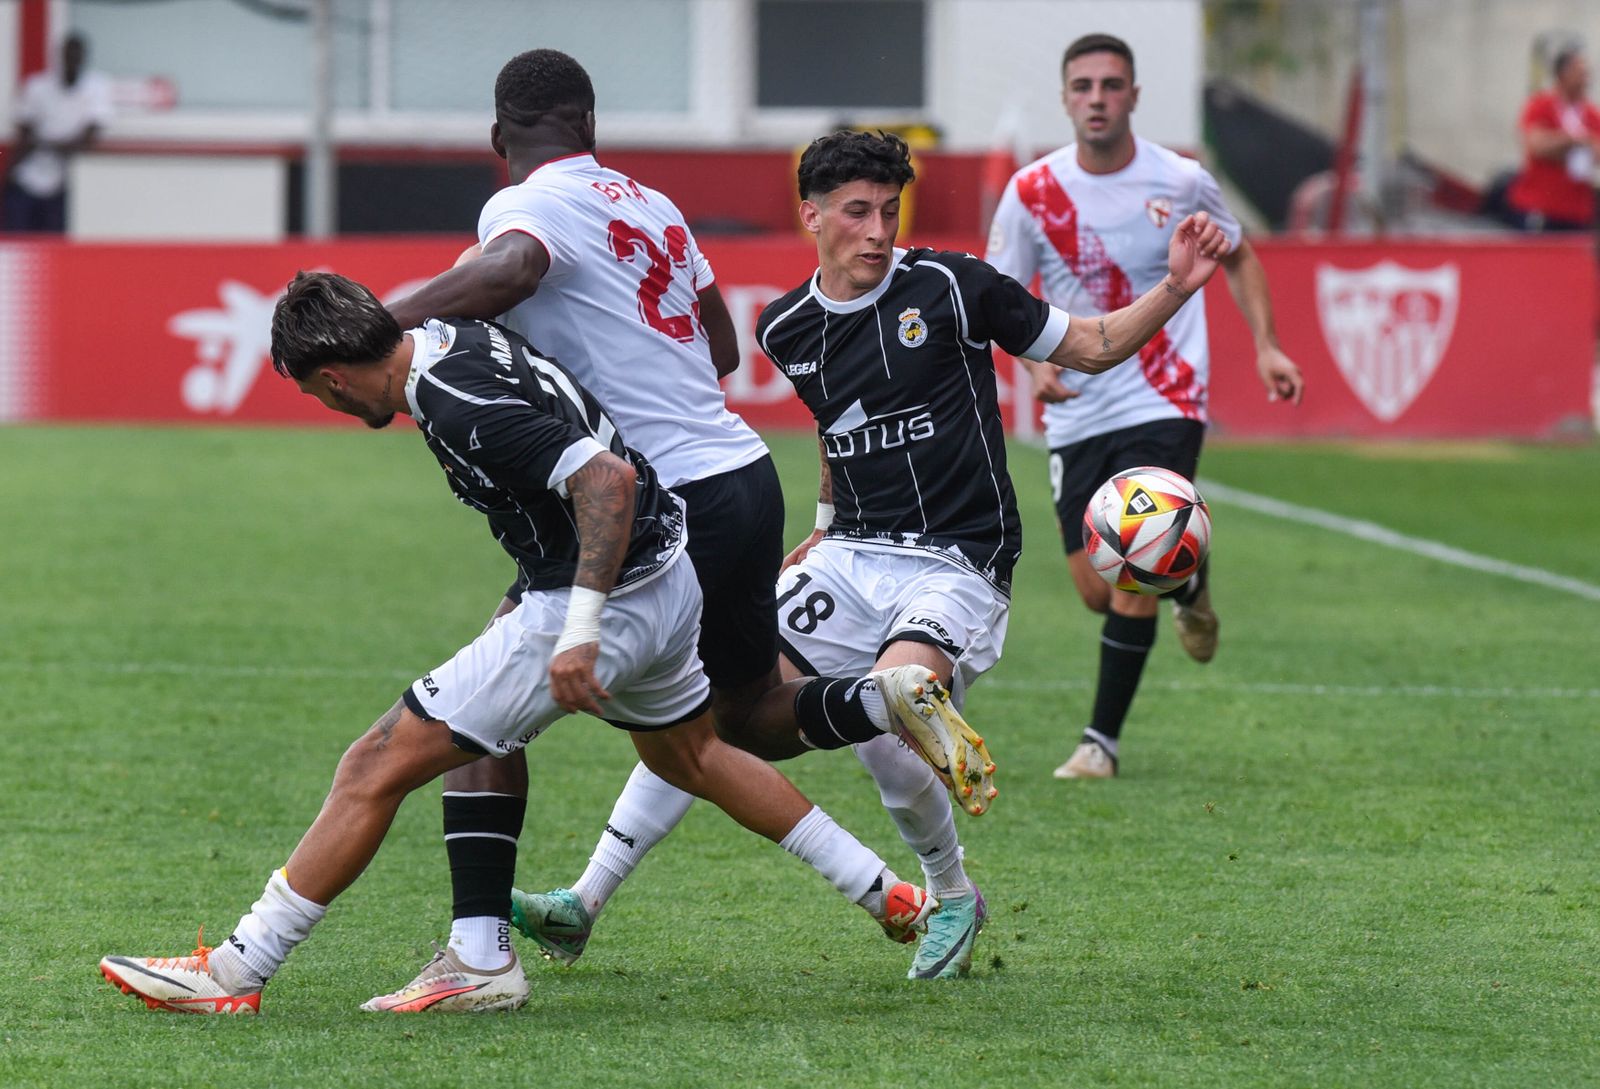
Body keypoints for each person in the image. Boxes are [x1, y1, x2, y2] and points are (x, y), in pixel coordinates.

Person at [97, 272, 947, 1015]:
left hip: (605, 605)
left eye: (321, 396)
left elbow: (602, 479)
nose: (334, 408)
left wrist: (577, 630)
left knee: (371, 765)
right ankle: (891, 893)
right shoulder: (453, 337)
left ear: (331, 375)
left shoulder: (454, 401)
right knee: (694, 757)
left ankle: (242, 968)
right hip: (666, 575)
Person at [515, 129, 1232, 978]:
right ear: (811, 215)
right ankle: (585, 900)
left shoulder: (955, 287)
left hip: (959, 557)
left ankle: (951, 893)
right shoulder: (787, 326)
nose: (877, 230)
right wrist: (821, 517)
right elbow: (834, 423)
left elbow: (1093, 343)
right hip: (848, 553)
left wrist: (1177, 288)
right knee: (704, 706)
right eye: (857, 212)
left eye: (888, 211)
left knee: (894, 710)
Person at [378, 48, 995, 992]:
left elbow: (509, 270)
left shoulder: (524, 205)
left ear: (500, 140)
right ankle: (877, 703)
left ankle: (478, 951)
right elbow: (716, 341)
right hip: (743, 473)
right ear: (592, 127)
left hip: (658, 504)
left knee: (481, 709)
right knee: (738, 720)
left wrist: (387, 329)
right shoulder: (651, 204)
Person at [985, 33, 1305, 781]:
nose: (1097, 98)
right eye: (1084, 85)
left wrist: (1267, 346)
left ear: (1133, 97)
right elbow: (1002, 301)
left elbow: (1239, 255)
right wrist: (1033, 367)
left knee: (1132, 565)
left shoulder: (1183, 180)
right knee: (1100, 585)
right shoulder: (1032, 192)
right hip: (1076, 400)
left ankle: (1101, 742)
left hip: (1165, 392)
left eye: (1111, 85)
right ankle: (1189, 578)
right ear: (1066, 98)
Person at [2, 33, 112, 234]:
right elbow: (24, 132)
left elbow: (88, 138)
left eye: (76, 55)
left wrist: (49, 143)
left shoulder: (96, 87)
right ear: (60, 56)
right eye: (68, 55)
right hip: (27, 176)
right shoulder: (38, 86)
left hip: (64, 182)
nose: (72, 60)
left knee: (54, 245)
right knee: (16, 240)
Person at [1505, 45, 1600, 231]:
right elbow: (1536, 145)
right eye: (1579, 72)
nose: (1585, 78)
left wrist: (1561, 147)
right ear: (1562, 74)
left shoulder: (1591, 114)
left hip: (1578, 211)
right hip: (1541, 209)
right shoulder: (1541, 105)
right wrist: (1574, 141)